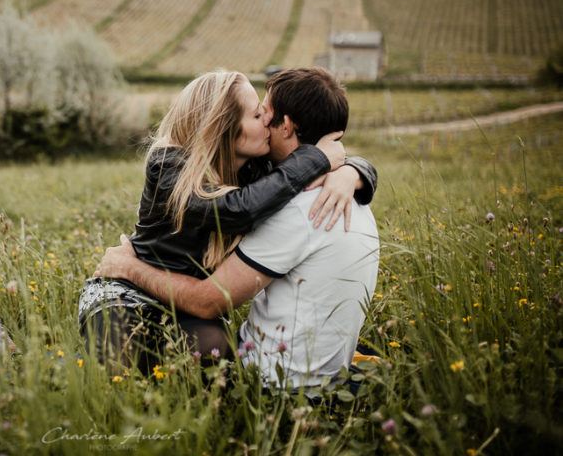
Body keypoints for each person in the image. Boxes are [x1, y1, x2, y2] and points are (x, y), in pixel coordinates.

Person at [95, 68, 380, 390]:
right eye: (256, 114)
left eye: (265, 113)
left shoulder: (259, 169)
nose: (264, 122)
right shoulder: (168, 165)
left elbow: (286, 178)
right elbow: (235, 211)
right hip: (133, 294)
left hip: (191, 302)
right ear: (225, 127)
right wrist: (316, 159)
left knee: (213, 356)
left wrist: (352, 171)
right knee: (123, 371)